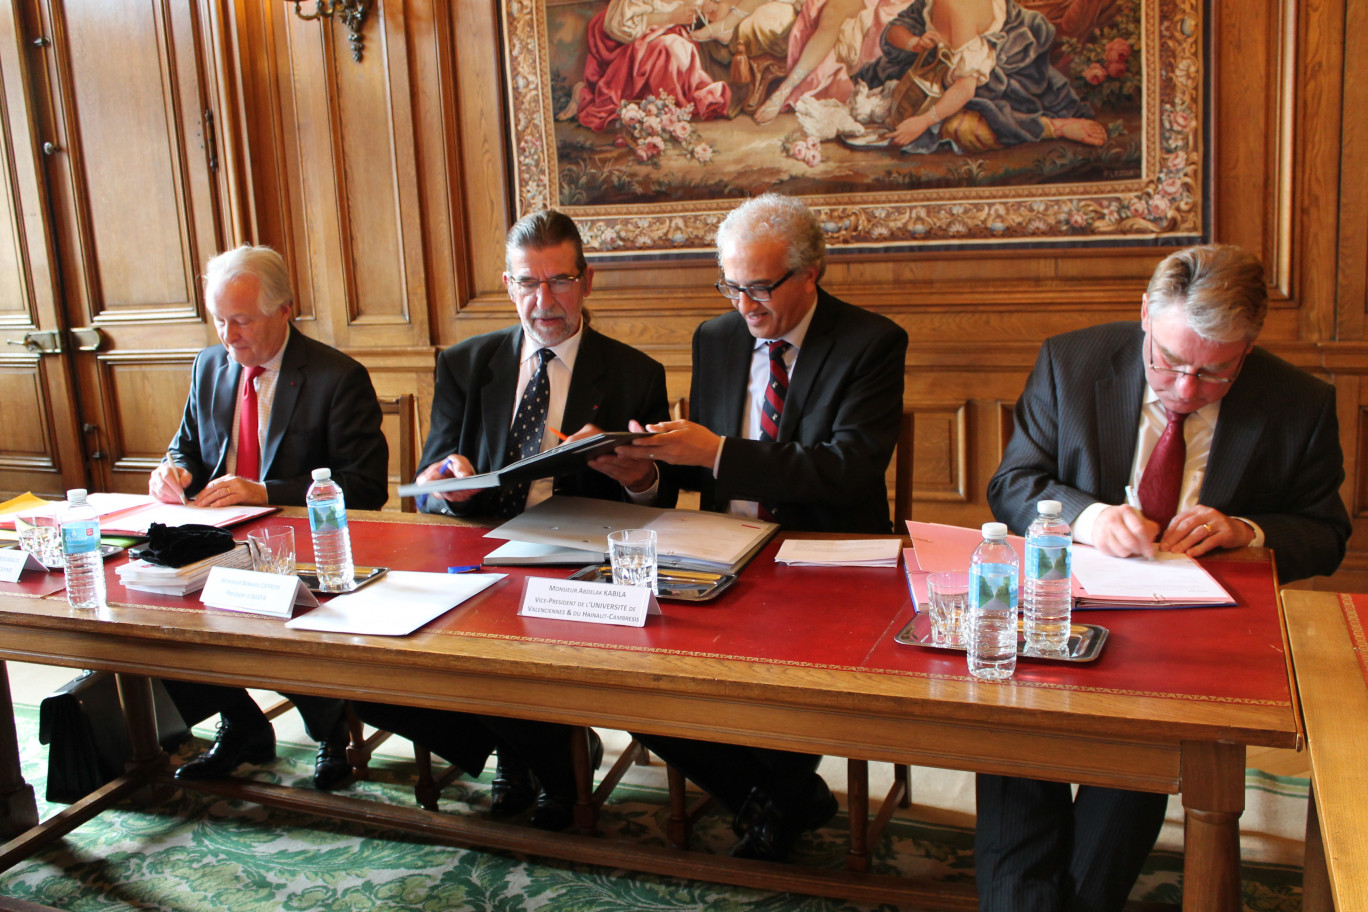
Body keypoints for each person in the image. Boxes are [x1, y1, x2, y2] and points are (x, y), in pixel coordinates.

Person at [977, 243, 1351, 911]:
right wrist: (1089, 517)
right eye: (1171, 362)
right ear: (1145, 315)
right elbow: (1013, 484)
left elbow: (1327, 534)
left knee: (1140, 758)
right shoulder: (1072, 362)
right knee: (1017, 728)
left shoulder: (1299, 403)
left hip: (1190, 635)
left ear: (1249, 345)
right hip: (1066, 603)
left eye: (1215, 373)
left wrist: (1247, 532)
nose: (1185, 389)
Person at [353, 209, 673, 831]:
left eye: (558, 281)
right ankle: (522, 747)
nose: (543, 301)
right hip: (476, 548)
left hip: (582, 556)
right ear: (508, 285)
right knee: (372, 652)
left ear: (586, 281)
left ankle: (544, 764)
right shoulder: (467, 364)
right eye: (528, 283)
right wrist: (450, 488)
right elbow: (430, 479)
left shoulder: (635, 373)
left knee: (528, 620)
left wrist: (638, 479)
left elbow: (660, 504)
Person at [617, 193, 908, 861]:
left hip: (830, 557)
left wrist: (714, 450)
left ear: (811, 273)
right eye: (730, 285)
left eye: (759, 288)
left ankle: (768, 796)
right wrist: (637, 470)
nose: (743, 305)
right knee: (628, 664)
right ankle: (776, 795)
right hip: (723, 551)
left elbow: (847, 470)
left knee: (792, 680)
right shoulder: (717, 338)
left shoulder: (870, 342)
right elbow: (696, 478)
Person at [148, 245, 389, 791]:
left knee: (278, 603)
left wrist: (261, 490)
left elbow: (367, 489)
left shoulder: (337, 377)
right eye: (218, 319)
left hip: (303, 544)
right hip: (216, 538)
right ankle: (240, 723)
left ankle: (330, 732)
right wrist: (173, 473)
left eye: (241, 320)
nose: (228, 336)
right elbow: (185, 447)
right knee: (157, 605)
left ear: (284, 310)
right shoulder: (210, 365)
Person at [854, 0, 1105, 152]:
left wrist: (924, 121)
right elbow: (897, 28)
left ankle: (1055, 127)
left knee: (959, 130)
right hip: (937, 71)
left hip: (989, 83)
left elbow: (965, 87)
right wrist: (915, 42)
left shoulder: (960, 7)